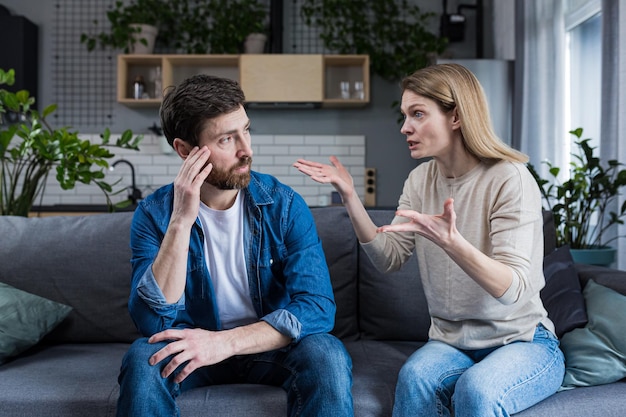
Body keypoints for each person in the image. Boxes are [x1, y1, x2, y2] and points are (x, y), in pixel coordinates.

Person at [294, 63, 565, 417]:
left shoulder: (509, 178)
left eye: (418, 114)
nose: (405, 127)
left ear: (455, 116)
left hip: (523, 340)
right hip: (451, 341)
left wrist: (453, 243)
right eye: (405, 115)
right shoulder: (420, 181)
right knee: (414, 378)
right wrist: (349, 196)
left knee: (477, 390)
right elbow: (388, 257)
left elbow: (513, 289)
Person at [116, 74, 353, 417]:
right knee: (143, 357)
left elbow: (317, 308)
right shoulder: (154, 215)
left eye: (246, 130)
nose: (247, 150)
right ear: (185, 150)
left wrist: (224, 343)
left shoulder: (284, 206)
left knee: (326, 352)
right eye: (227, 139)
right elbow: (151, 322)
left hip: (270, 348)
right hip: (193, 350)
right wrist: (181, 220)